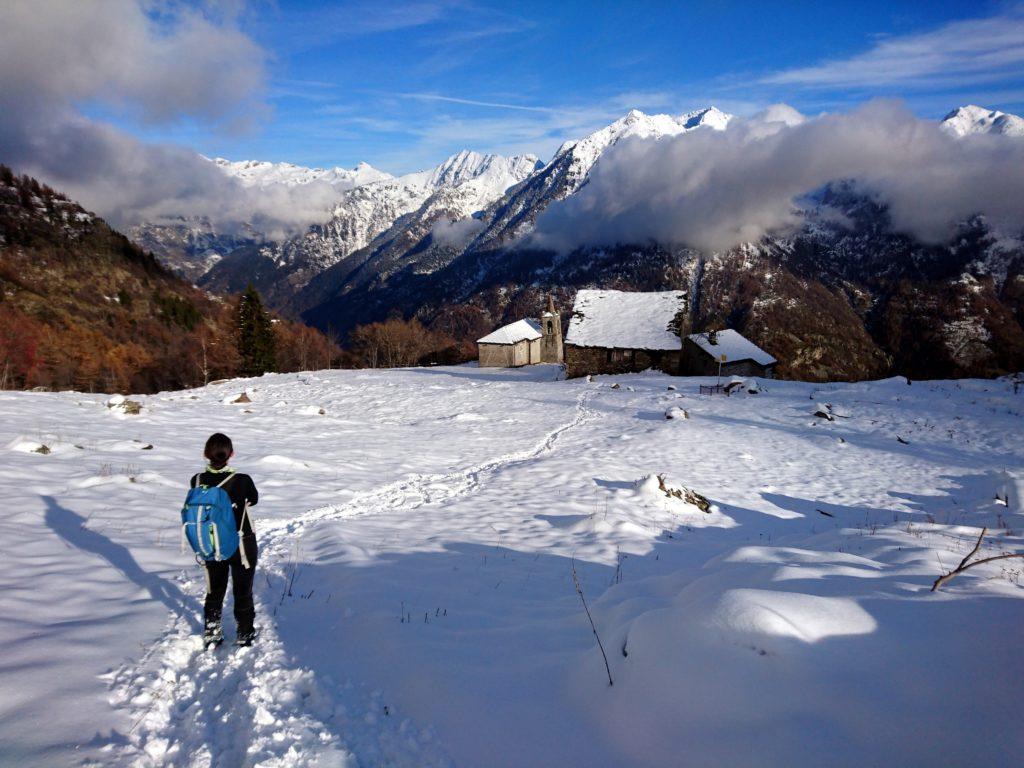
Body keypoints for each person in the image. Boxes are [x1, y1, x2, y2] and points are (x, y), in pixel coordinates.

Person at [191, 433, 260, 648]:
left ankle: (212, 631)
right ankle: (245, 632)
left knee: (215, 589)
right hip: (241, 543)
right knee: (243, 589)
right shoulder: (243, 480)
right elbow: (253, 499)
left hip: (211, 543)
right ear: (231, 454)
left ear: (206, 454)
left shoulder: (197, 480)